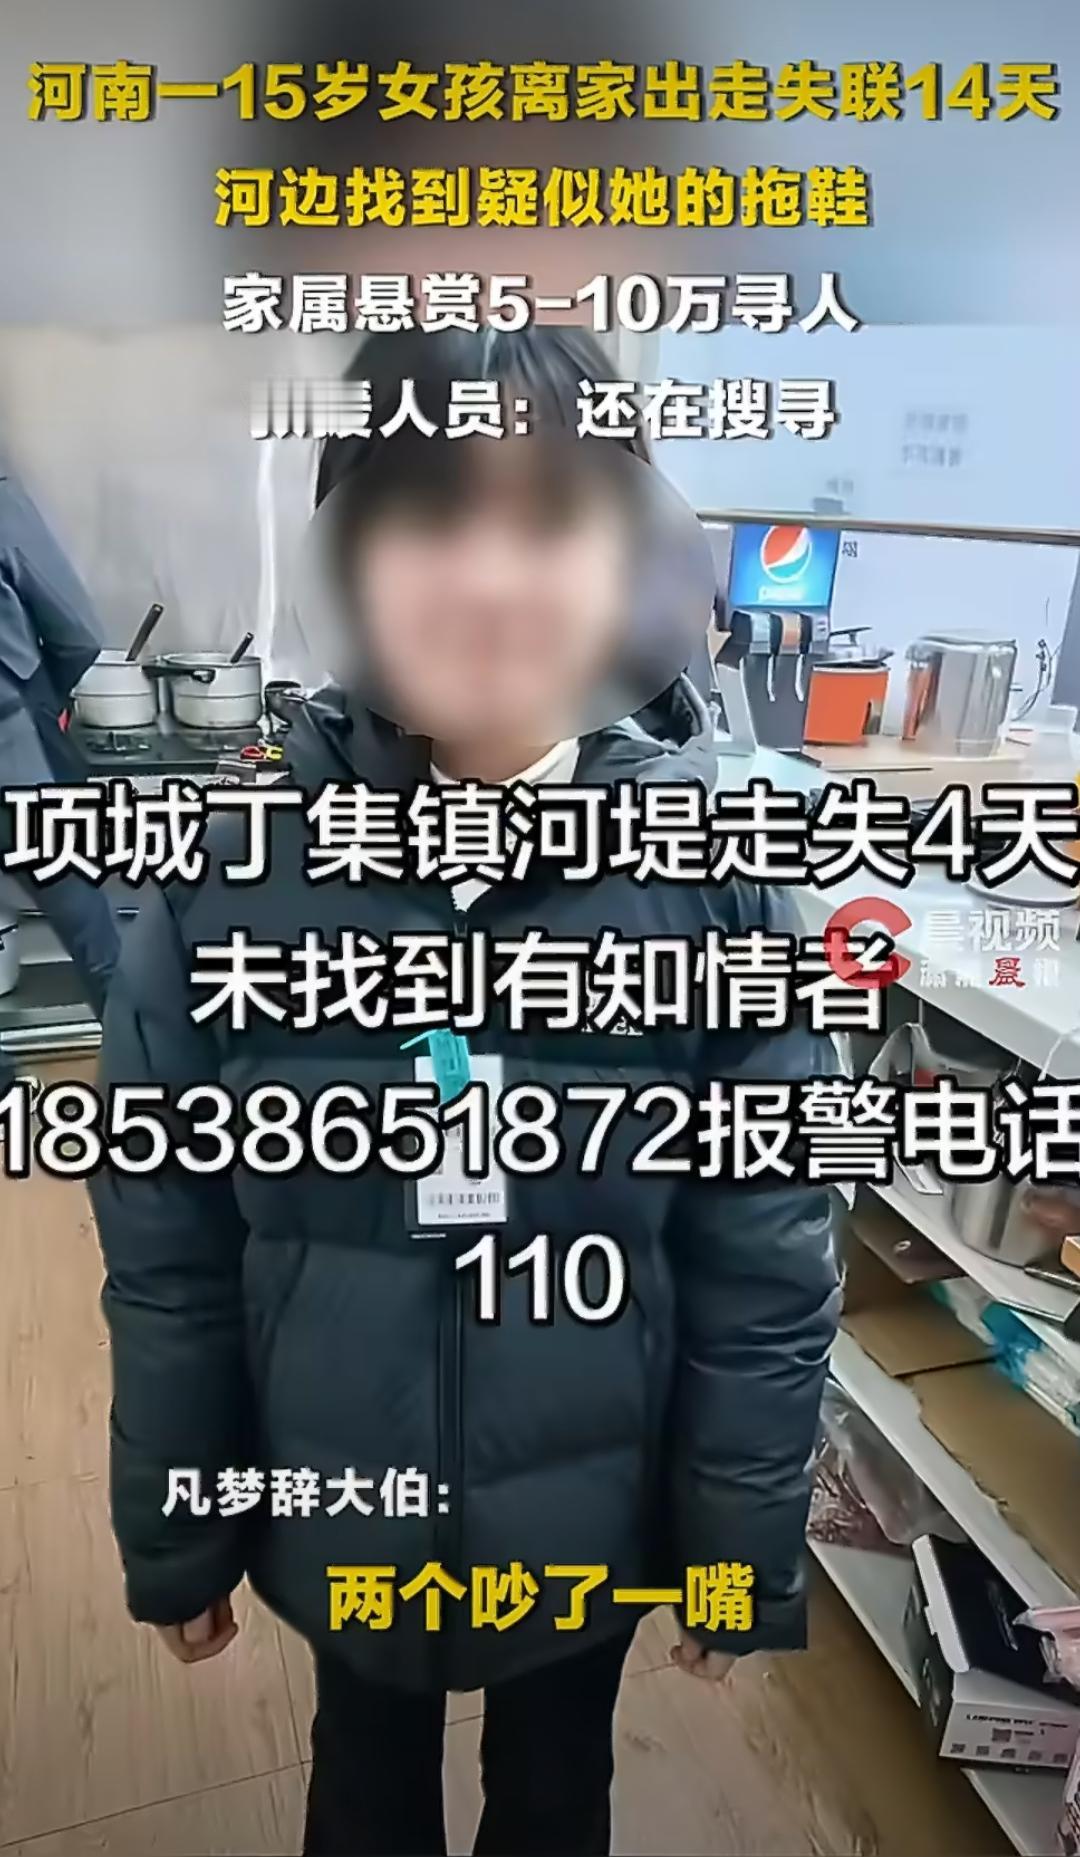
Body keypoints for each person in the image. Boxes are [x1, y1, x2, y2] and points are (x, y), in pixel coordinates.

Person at [91, 327, 840, 1857]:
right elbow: (168, 1248)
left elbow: (764, 1251)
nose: (489, 578)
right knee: (362, 1794)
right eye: (428, 517)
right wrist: (183, 1523)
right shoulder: (230, 877)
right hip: (341, 1496)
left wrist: (736, 1541)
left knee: (556, 1797)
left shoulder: (719, 886)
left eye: (550, 518)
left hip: (590, 1505)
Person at [0, 464, 120, 1083]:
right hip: (14, 752)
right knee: (90, 927)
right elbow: (78, 632)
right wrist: (45, 703)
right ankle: (154, 1078)